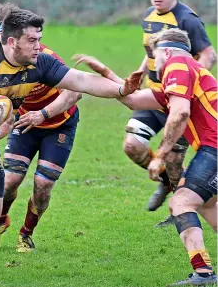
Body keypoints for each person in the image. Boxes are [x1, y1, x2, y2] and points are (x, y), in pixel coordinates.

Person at [0, 8, 142, 261]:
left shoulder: (40, 62)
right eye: (32, 40)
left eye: (39, 39)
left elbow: (82, 82)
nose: (39, 46)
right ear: (11, 41)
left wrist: (121, 87)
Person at [73, 27, 217, 286]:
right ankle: (204, 273)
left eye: (155, 55)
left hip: (214, 149)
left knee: (181, 203)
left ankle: (204, 273)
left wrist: (160, 154)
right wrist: (106, 72)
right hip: (212, 148)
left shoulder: (178, 65)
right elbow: (134, 100)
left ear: (168, 51)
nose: (153, 62)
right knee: (206, 204)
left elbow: (180, 113)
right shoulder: (183, 72)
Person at [0, 2, 82, 253]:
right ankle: (0, 222)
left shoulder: (42, 57)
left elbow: (75, 91)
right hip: (25, 124)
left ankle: (26, 234)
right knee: (9, 181)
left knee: (43, 185)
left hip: (59, 124)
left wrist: (43, 114)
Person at [122, 0, 216, 218]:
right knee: (132, 145)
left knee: (175, 162)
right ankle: (165, 181)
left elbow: (209, 55)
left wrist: (185, 86)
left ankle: (179, 211)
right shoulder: (148, 16)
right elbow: (154, 49)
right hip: (155, 96)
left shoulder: (188, 20)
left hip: (180, 101)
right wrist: (142, 70)